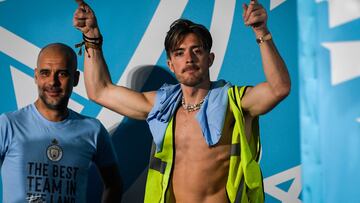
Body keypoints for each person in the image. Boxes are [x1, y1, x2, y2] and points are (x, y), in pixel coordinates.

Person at [73, 0, 291, 202]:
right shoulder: (162, 107)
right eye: (179, 53)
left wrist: (261, 31)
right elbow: (99, 91)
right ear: (171, 64)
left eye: (197, 51)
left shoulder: (234, 102)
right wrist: (91, 36)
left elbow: (278, 88)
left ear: (210, 59)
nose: (189, 59)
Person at [0, 43, 122, 203]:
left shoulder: (93, 130)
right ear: (36, 76)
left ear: (76, 78)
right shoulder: (8, 125)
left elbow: (114, 185)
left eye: (62, 74)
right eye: (45, 73)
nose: (53, 82)